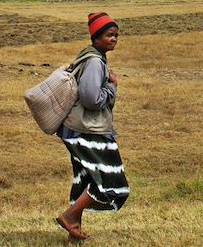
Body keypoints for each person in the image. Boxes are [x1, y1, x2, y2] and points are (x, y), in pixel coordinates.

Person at [54, 12, 129, 241]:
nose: (114, 39)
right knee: (113, 184)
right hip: (87, 130)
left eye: (116, 35)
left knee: (85, 179)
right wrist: (112, 87)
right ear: (96, 38)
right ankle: (69, 216)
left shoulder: (92, 57)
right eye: (109, 35)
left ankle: (74, 233)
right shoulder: (95, 61)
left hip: (77, 129)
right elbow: (91, 99)